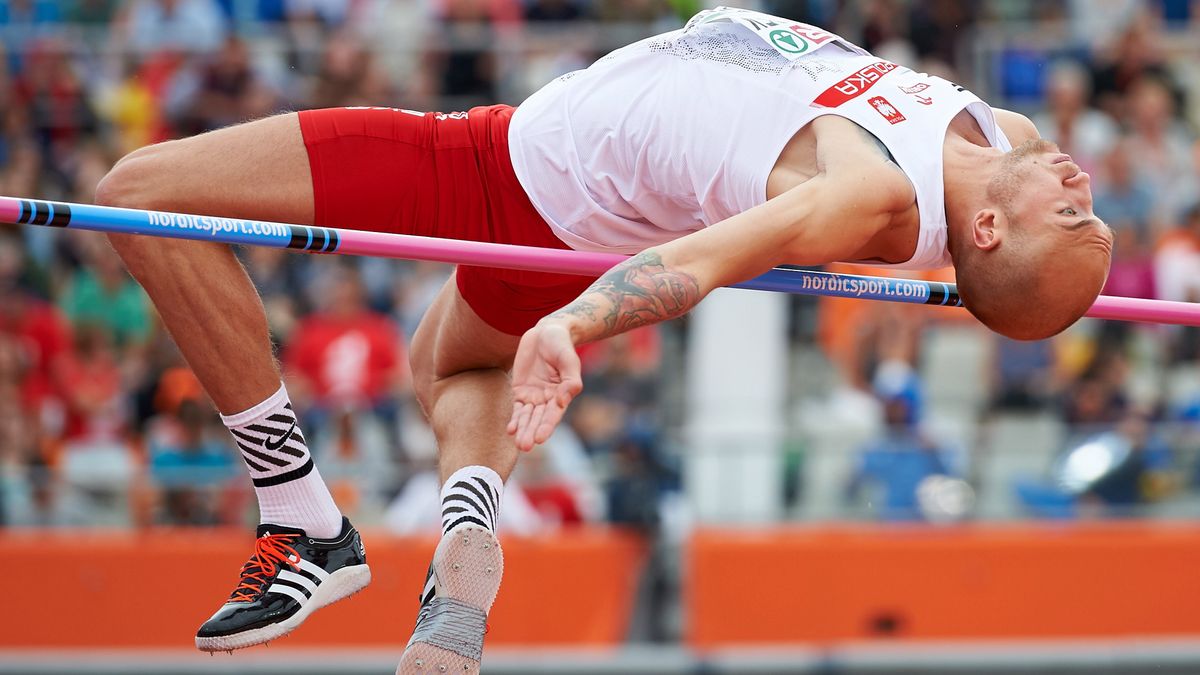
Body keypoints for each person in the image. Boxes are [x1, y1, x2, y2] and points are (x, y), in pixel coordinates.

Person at [93, 6, 1112, 672]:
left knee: (141, 195)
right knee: (445, 365)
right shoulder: (1006, 139)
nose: (1082, 184)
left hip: (505, 176)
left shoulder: (870, 197)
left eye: (1073, 214)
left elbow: (701, 264)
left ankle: (302, 521)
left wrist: (576, 320)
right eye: (1088, 207)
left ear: (988, 232)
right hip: (563, 191)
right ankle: (461, 546)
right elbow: (1013, 245)